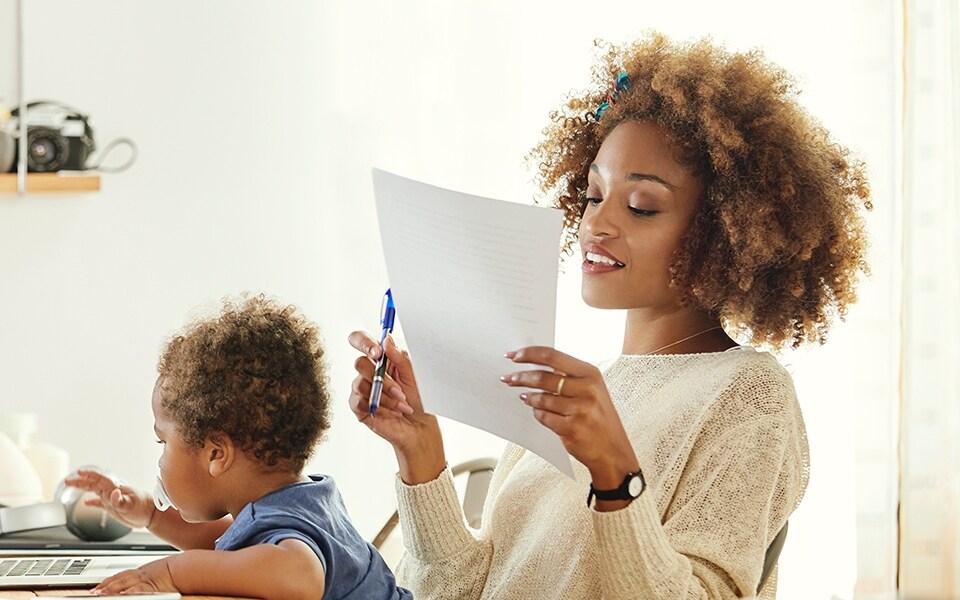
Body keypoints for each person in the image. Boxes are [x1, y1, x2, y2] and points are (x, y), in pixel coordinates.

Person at [348, 32, 871, 599]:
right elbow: (466, 590)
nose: (596, 224)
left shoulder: (749, 396)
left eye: (641, 206)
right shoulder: (581, 393)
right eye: (594, 196)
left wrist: (615, 472)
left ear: (721, 235)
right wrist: (420, 449)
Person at [67, 294, 412, 600]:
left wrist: (170, 572)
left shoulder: (283, 526)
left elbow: (300, 576)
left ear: (217, 454)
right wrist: (152, 514)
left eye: (164, 442)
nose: (160, 461)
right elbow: (231, 549)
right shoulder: (301, 502)